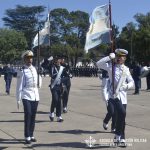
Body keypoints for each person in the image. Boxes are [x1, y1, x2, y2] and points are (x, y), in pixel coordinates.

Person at [96, 48, 134, 147]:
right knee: (120, 114)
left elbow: (132, 82)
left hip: (123, 97)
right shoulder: (110, 67)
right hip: (113, 97)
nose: (119, 58)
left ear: (124, 58)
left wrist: (126, 86)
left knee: (122, 119)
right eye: (117, 56)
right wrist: (109, 57)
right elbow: (98, 64)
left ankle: (121, 138)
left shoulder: (126, 69)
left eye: (121, 57)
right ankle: (118, 136)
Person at [16, 50, 42, 144]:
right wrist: (18, 99)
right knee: (28, 114)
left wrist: (40, 80)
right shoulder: (22, 71)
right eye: (27, 58)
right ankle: (27, 136)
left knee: (33, 116)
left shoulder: (35, 69)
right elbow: (19, 86)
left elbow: (39, 83)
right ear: (24, 59)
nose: (29, 60)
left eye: (31, 58)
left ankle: (31, 134)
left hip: (35, 95)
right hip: (26, 95)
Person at [41, 55, 69, 122]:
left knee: (58, 100)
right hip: (53, 86)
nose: (56, 60)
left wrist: (62, 80)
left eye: (58, 59)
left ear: (60, 60)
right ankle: (52, 112)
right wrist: (47, 59)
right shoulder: (51, 67)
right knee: (55, 99)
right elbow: (43, 65)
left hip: (60, 86)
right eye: (55, 59)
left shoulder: (63, 68)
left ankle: (58, 116)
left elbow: (67, 77)